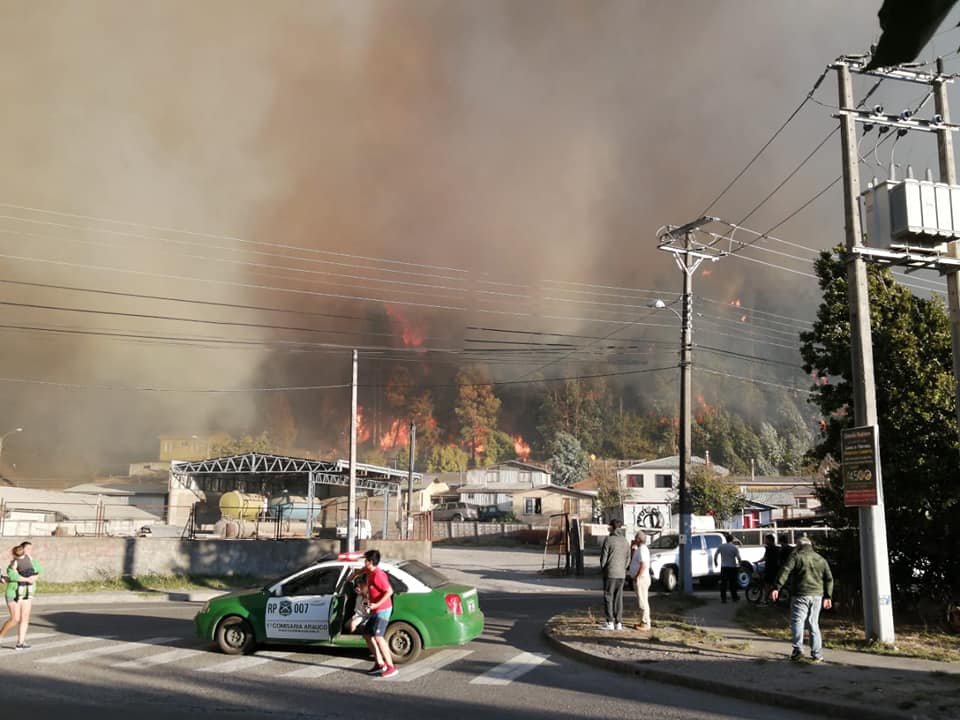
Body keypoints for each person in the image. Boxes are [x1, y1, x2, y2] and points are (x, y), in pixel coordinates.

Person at [771, 535, 834, 662]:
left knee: (797, 621)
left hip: (800, 594)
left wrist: (776, 587)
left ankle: (798, 651)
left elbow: (785, 570)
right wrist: (828, 596)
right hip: (817, 595)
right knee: (813, 623)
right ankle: (817, 654)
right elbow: (828, 578)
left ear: (798, 546)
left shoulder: (796, 557)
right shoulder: (820, 559)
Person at [352, 549, 398, 678]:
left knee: (378, 637)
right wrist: (353, 575)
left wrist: (377, 604)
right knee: (367, 635)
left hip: (383, 610)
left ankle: (391, 666)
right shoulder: (369, 570)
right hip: (374, 610)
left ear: (371, 562)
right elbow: (362, 570)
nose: (364, 562)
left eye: (365, 560)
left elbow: (389, 591)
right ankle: (379, 664)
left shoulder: (378, 575)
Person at [0, 542, 41, 650]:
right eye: (27, 548)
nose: (29, 551)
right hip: (13, 594)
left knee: (25, 618)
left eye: (31, 549)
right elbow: (12, 575)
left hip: (27, 594)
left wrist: (35, 577)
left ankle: (20, 643)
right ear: (21, 550)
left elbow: (40, 572)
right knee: (15, 619)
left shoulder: (33, 562)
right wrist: (28, 579)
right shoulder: (14, 563)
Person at [599, 519, 629, 630]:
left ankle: (610, 622)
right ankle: (619, 623)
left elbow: (603, 559)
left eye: (609, 526)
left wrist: (603, 569)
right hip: (621, 574)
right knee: (618, 598)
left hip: (610, 573)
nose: (608, 528)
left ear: (612, 527)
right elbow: (628, 558)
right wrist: (623, 568)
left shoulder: (608, 540)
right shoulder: (625, 541)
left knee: (608, 597)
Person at [628, 530, 651, 630]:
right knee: (642, 600)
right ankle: (643, 621)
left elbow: (643, 565)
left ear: (639, 539)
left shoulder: (642, 550)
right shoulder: (639, 549)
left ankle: (645, 623)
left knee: (643, 601)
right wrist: (632, 549)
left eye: (635, 538)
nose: (634, 540)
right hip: (640, 578)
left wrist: (637, 577)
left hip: (641, 579)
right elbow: (634, 560)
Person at [714, 532, 742, 603]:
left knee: (723, 583)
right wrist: (740, 564)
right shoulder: (734, 547)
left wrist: (716, 562)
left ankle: (723, 598)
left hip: (724, 567)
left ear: (726, 539)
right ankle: (734, 597)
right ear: (732, 540)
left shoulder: (721, 546)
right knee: (732, 583)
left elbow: (716, 555)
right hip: (732, 567)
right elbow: (738, 557)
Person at [761, 534, 780, 604]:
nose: (765, 541)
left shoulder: (769, 548)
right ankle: (774, 599)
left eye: (766, 539)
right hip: (776, 569)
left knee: (767, 584)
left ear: (769, 540)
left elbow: (765, 558)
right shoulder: (777, 548)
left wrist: (758, 561)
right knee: (774, 584)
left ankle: (766, 599)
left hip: (769, 568)